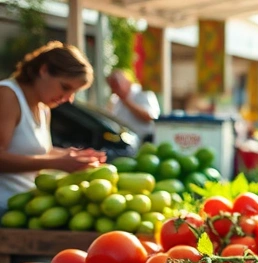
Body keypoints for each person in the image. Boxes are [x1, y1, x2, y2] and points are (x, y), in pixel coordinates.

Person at [0, 42, 105, 214]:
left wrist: (73, 156)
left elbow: (32, 151)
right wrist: (57, 162)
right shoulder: (7, 95)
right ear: (44, 70)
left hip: (26, 208)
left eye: (74, 93)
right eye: (65, 87)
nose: (69, 99)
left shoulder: (44, 108)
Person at [106, 68, 160, 142]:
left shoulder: (143, 92)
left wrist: (127, 102)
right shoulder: (115, 100)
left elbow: (150, 116)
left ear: (126, 81)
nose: (114, 91)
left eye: (116, 86)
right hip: (126, 143)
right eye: (112, 87)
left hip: (145, 141)